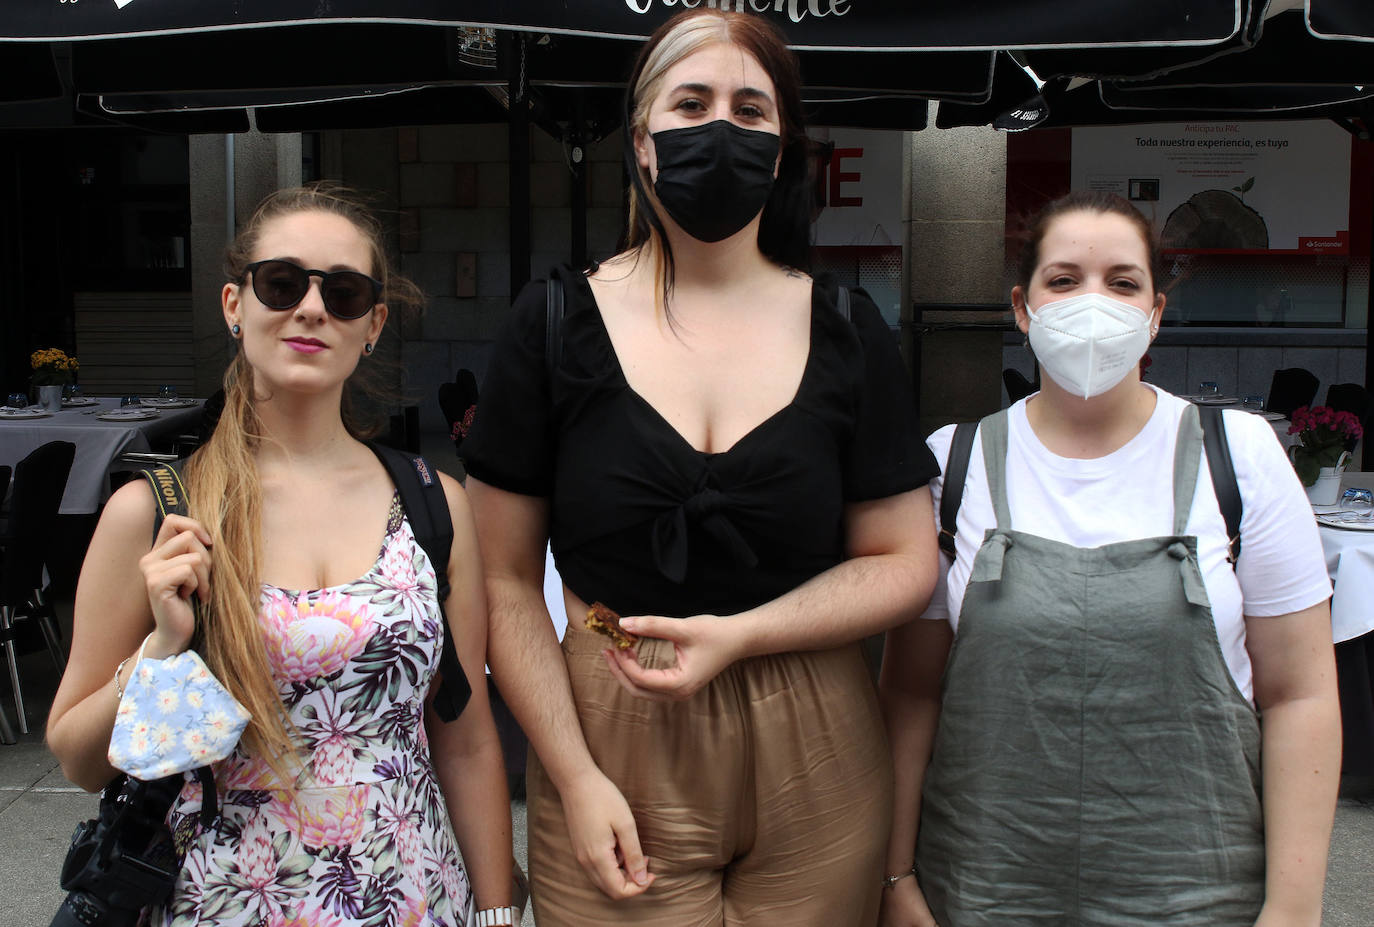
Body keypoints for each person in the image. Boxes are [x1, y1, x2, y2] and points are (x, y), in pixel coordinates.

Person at [462, 8, 939, 925]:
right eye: (691, 103)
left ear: (782, 148)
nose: (721, 128)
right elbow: (506, 580)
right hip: (609, 717)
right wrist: (572, 774)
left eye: (750, 110)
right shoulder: (552, 322)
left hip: (819, 729)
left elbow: (905, 560)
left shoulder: (849, 328)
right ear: (642, 142)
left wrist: (744, 634)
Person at [47, 183, 517, 927]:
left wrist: (496, 914)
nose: (312, 308)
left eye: (344, 291)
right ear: (235, 305)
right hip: (225, 903)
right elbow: (78, 760)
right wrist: (159, 652)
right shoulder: (157, 512)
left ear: (373, 324)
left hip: (415, 900)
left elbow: (465, 739)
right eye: (282, 283)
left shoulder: (434, 503)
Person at [879, 191, 1341, 927]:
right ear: (1023, 308)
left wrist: (1292, 907)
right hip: (983, 888)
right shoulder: (953, 466)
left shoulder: (1239, 457)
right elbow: (911, 694)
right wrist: (896, 877)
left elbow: (1301, 698)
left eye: (1122, 283)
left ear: (1155, 313)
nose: (1092, 303)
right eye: (1063, 280)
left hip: (1199, 895)